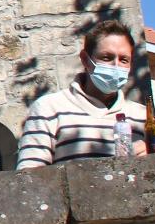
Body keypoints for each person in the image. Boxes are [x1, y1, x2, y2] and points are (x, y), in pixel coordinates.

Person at [15, 20, 148, 168]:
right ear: (85, 60)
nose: (116, 66)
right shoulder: (48, 108)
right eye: (106, 57)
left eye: (124, 60)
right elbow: (30, 178)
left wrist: (150, 160)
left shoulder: (142, 116)